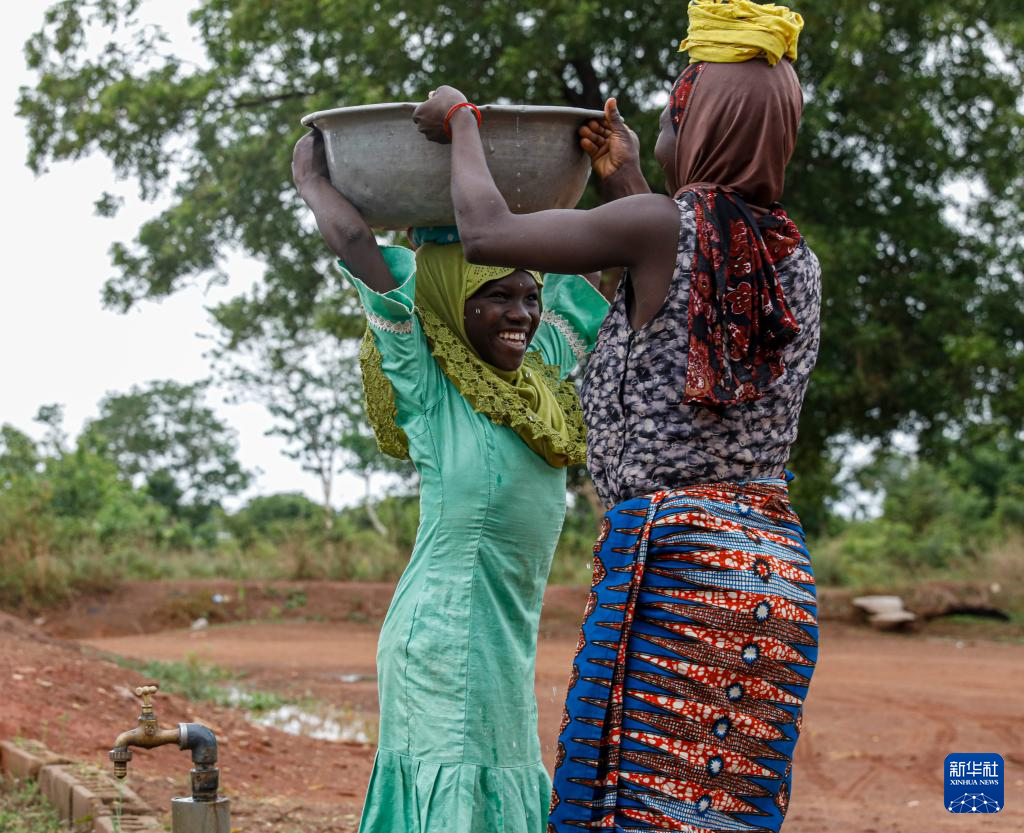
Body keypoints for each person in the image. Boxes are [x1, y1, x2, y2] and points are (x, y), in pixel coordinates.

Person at [412, 2, 820, 830]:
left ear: (696, 119)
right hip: (769, 574)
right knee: (706, 813)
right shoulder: (788, 254)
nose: (665, 125)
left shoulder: (663, 228)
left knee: (628, 806)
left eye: (676, 109)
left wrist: (460, 122)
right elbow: (671, 306)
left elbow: (488, 233)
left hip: (678, 566)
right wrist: (625, 175)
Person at [291, 127, 609, 833]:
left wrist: (621, 172)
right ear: (449, 302)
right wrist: (315, 183)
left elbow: (625, 273)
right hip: (440, 637)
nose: (521, 313)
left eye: (529, 295)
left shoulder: (540, 381)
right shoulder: (433, 385)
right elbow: (360, 253)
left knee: (498, 781)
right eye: (496, 295)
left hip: (502, 635)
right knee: (453, 796)